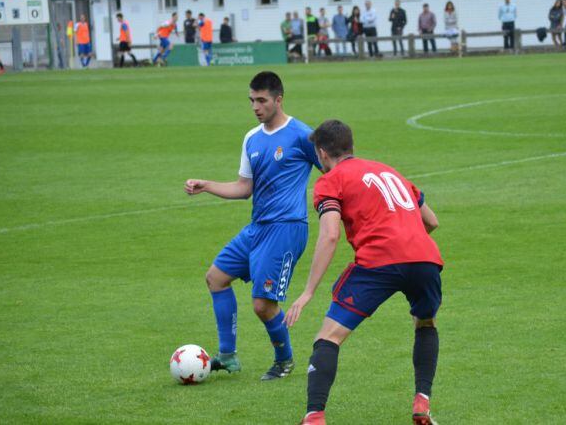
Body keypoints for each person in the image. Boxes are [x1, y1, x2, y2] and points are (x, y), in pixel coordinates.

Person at [287, 119, 443, 425]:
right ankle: (422, 402)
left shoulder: (330, 180)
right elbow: (432, 221)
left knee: (329, 336)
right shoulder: (390, 171)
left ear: (322, 153)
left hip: (379, 261)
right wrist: (406, 243)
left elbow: (330, 235)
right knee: (425, 323)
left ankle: (314, 417)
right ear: (351, 146)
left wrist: (307, 292)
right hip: (425, 258)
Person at [184, 71, 322, 381]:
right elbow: (244, 188)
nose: (255, 107)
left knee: (262, 305)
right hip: (258, 227)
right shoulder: (252, 138)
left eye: (261, 100)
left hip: (286, 228)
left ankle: (284, 361)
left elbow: (332, 169)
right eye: (251, 101)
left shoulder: (301, 135)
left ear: (278, 99)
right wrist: (206, 185)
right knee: (216, 278)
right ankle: (228, 355)